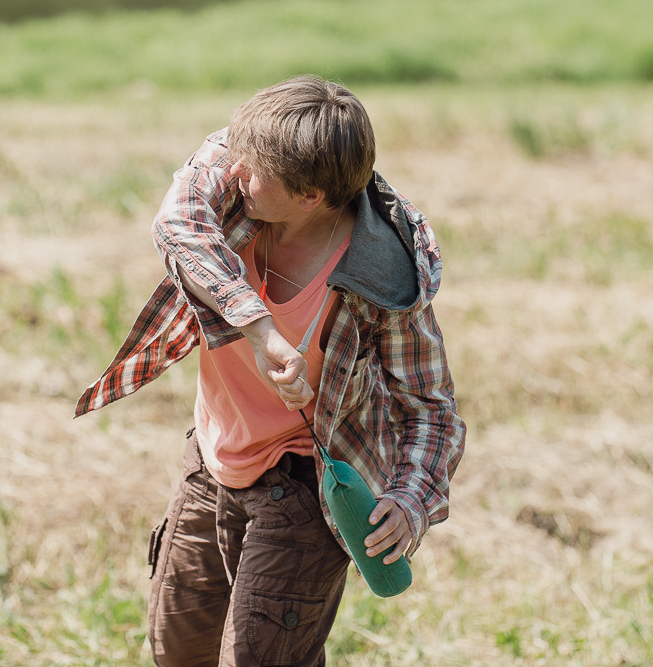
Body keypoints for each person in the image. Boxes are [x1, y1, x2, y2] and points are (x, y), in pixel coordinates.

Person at [75, 75, 465, 666]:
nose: (232, 173)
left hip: (305, 485)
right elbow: (176, 221)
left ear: (310, 196)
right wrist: (261, 330)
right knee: (176, 650)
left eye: (252, 172)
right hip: (212, 460)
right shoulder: (244, 160)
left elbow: (431, 408)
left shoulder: (380, 279)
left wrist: (411, 498)